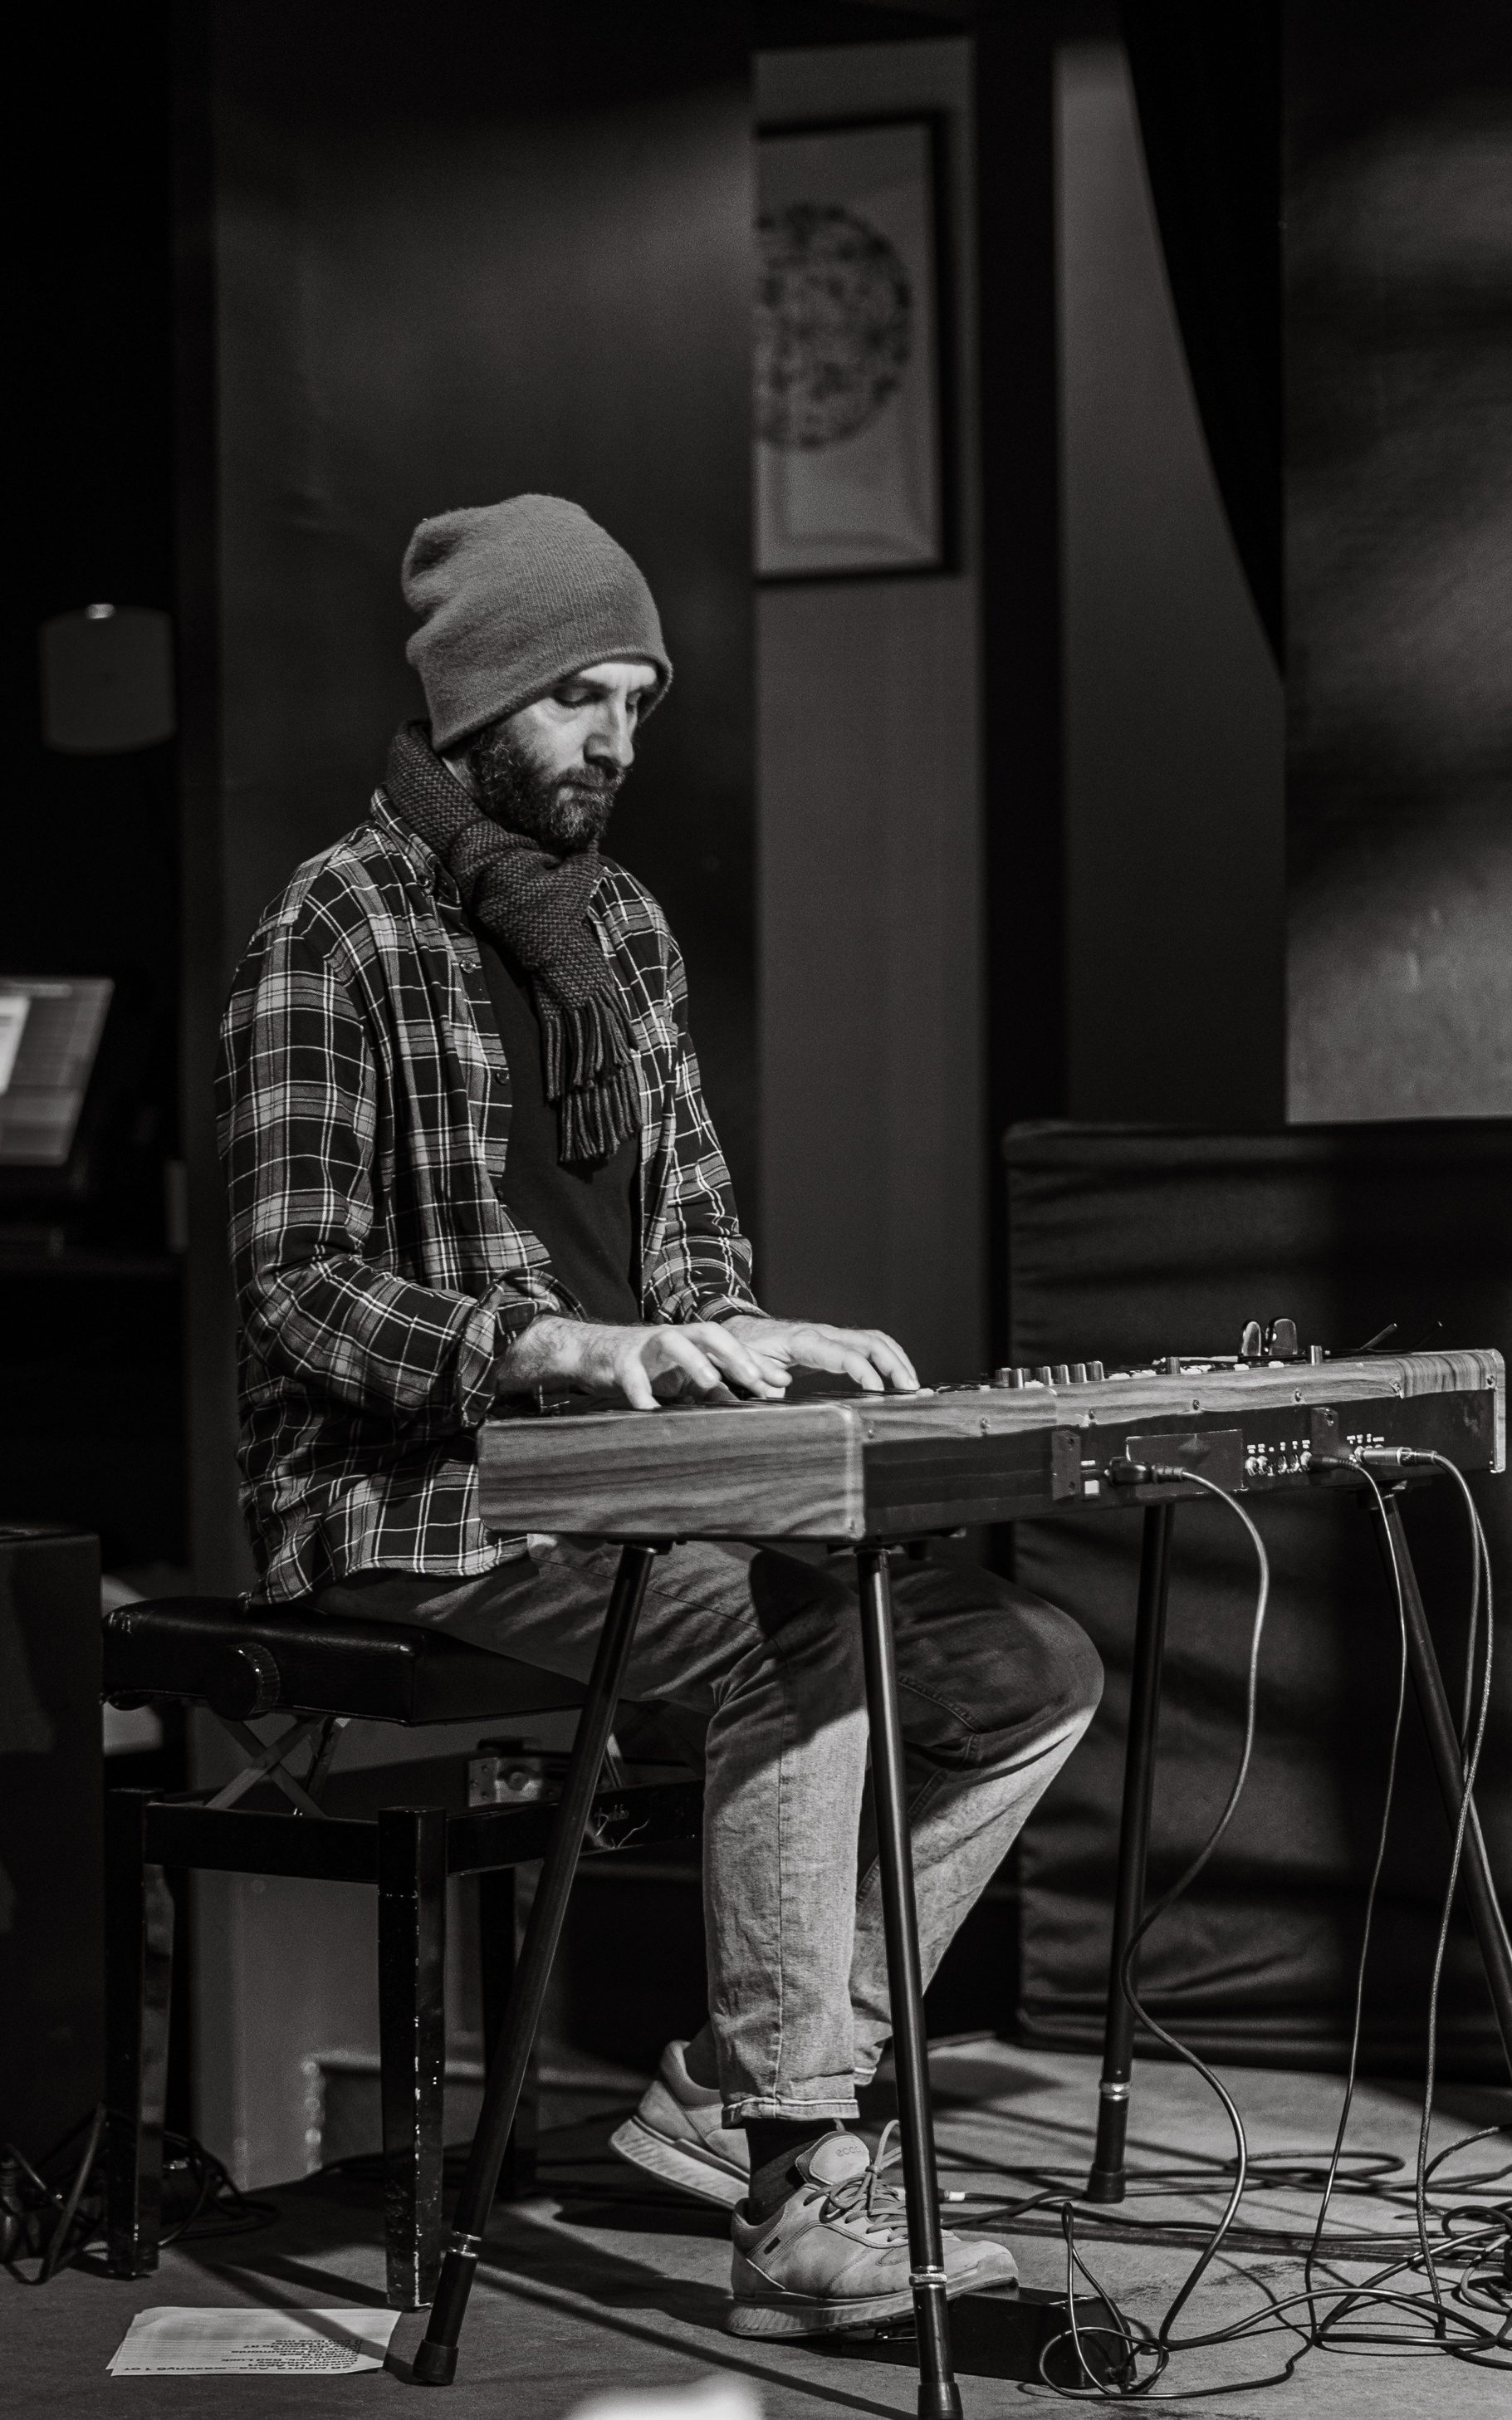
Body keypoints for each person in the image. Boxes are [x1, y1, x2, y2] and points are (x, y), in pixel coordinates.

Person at [218, 492, 1103, 2339]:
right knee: (805, 1622)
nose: (618, 738)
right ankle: (797, 2179)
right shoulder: (335, 926)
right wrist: (551, 1350)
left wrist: (745, 1337)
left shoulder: (619, 927)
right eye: (581, 698)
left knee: (1028, 1667)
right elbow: (298, 1289)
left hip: (625, 1489)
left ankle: (739, 2079)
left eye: (639, 701)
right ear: (478, 700)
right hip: (418, 1506)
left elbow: (690, 1248)